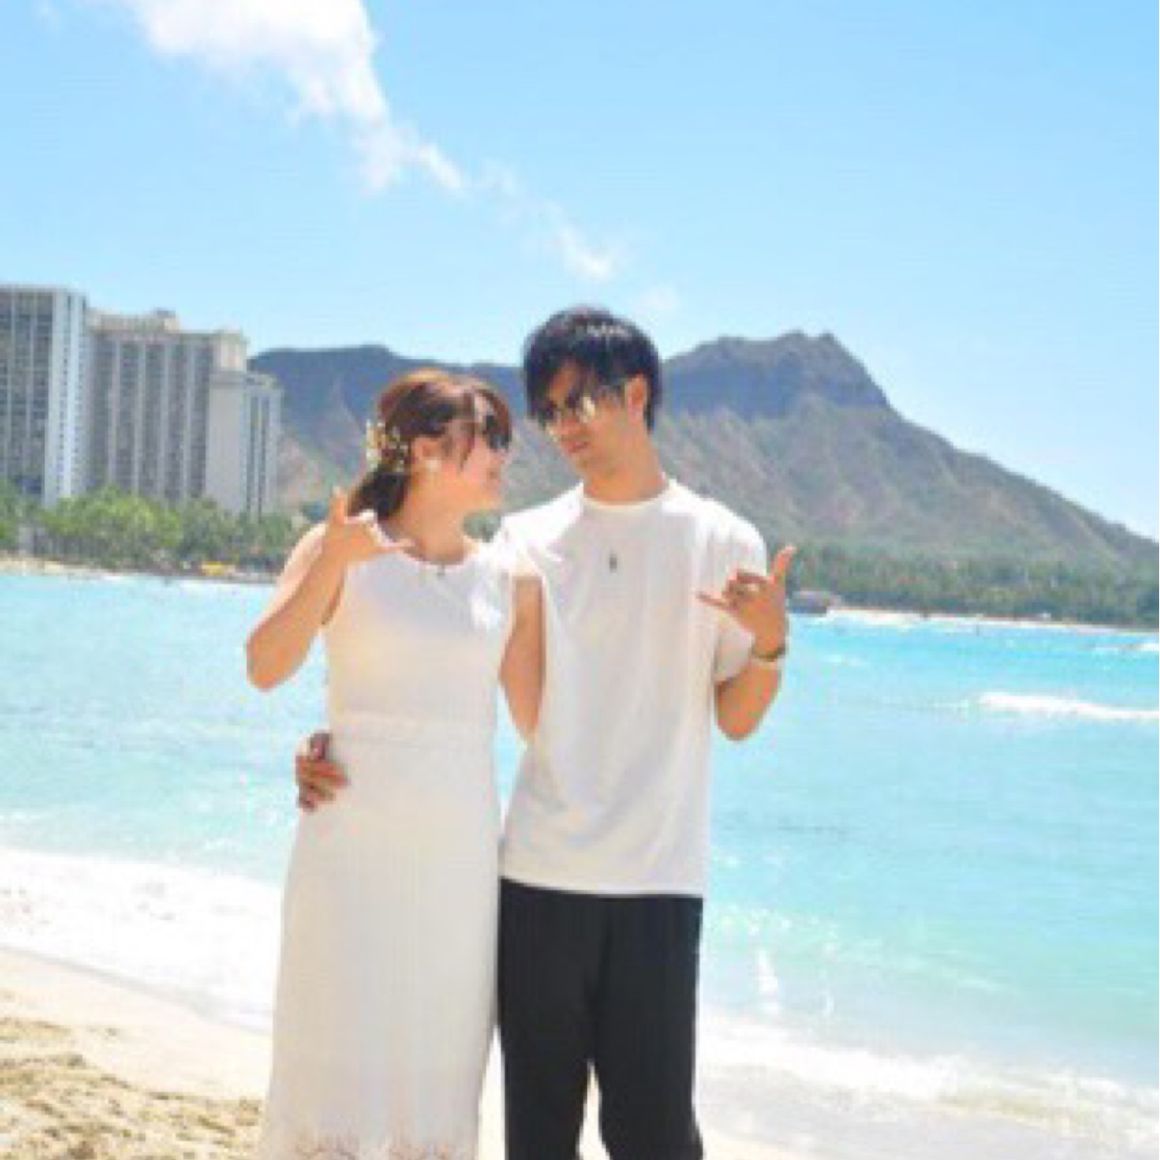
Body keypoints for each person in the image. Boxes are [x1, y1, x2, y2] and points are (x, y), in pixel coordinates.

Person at [297, 307, 794, 1159]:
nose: (563, 428)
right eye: (550, 411)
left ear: (636, 394)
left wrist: (773, 643)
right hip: (536, 880)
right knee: (537, 1140)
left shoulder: (723, 541)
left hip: (658, 882)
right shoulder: (524, 542)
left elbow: (737, 720)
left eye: (579, 404)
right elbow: (451, 675)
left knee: (654, 1137)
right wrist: (336, 748)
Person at [247, 368, 544, 1159]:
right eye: (489, 437)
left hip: (457, 871)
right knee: (334, 1060)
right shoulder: (338, 545)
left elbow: (541, 725)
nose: (504, 455)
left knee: (432, 1079)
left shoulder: (511, 580)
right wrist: (332, 563)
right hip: (348, 854)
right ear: (424, 449)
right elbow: (265, 666)